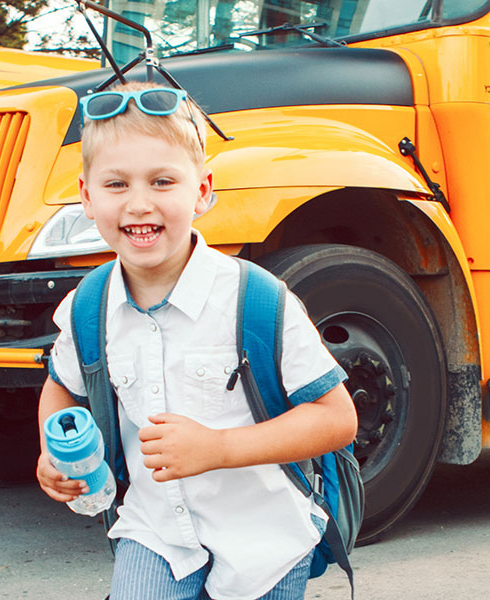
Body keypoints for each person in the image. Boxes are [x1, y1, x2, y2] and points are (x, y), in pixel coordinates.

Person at [35, 81, 358, 600]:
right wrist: (53, 452)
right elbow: (63, 390)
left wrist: (218, 448)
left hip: (265, 541)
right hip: (155, 532)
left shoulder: (258, 300)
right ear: (86, 197)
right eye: (116, 184)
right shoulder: (87, 307)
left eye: (163, 181)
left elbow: (336, 418)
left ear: (203, 190)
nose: (139, 204)